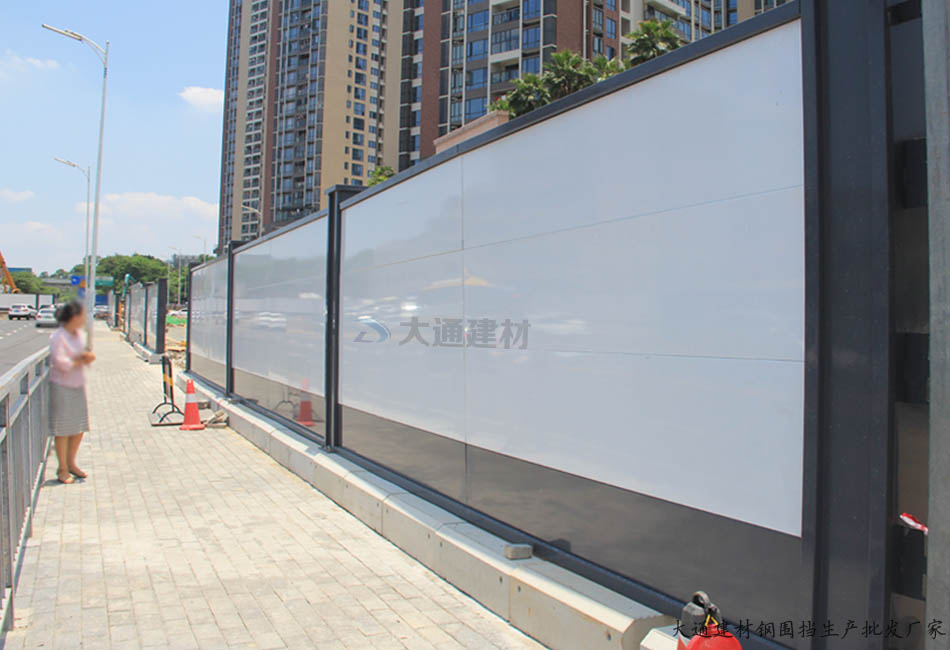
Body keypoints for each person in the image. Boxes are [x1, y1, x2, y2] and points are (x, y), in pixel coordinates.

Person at [48, 301, 95, 484]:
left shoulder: (79, 336)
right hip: (62, 386)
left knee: (79, 427)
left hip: (77, 385)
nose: (83, 319)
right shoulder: (58, 337)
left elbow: (82, 354)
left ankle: (71, 463)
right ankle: (62, 469)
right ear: (73, 317)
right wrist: (81, 360)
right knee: (63, 429)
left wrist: (85, 357)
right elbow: (61, 363)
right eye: (81, 316)